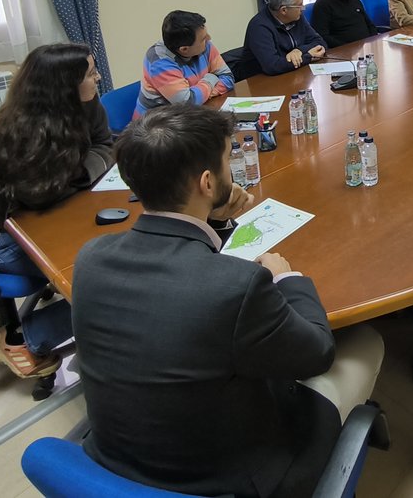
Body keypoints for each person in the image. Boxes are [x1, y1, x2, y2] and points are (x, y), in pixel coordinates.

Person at [71, 104, 384, 498]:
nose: (230, 169)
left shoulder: (90, 259)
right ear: (206, 182)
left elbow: (181, 281)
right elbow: (317, 351)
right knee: (368, 341)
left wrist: (214, 218)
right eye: (227, 160)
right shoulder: (240, 286)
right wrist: (287, 278)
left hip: (116, 465)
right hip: (233, 483)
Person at [0, 43, 113, 377]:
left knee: (124, 261)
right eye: (90, 74)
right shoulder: (20, 131)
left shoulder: (87, 104)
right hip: (7, 237)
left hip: (58, 213)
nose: (98, 78)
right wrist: (85, 173)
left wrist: (79, 174)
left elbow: (105, 145)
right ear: (63, 86)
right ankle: (20, 338)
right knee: (108, 283)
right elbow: (40, 195)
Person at [136, 10, 234, 117]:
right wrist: (210, 79)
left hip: (192, 113)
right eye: (203, 39)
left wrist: (199, 96)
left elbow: (228, 78)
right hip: (157, 125)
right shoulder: (159, 62)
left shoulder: (205, 46)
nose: (209, 39)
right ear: (184, 49)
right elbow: (188, 103)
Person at [242, 0, 328, 75]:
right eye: (299, 5)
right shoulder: (259, 27)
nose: (303, 8)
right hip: (261, 81)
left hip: (292, 73)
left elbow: (320, 42)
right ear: (284, 10)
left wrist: (299, 50)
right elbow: (273, 66)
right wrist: (309, 56)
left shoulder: (297, 17)